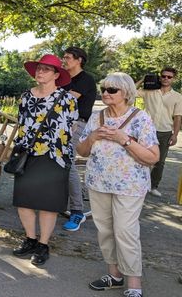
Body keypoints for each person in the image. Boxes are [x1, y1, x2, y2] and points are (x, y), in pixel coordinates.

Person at [78, 72, 159, 297]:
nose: (105, 93)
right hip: (98, 183)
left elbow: (153, 157)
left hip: (130, 186)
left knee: (125, 231)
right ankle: (114, 275)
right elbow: (82, 151)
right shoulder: (97, 117)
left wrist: (124, 139)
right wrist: (93, 137)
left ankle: (134, 284)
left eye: (112, 90)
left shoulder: (140, 118)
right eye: (104, 89)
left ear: (126, 93)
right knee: (105, 231)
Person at [11, 54, 78, 266]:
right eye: (39, 68)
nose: (40, 72)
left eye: (46, 69)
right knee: (23, 200)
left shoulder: (67, 99)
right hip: (27, 155)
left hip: (54, 156)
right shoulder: (25, 97)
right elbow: (21, 125)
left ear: (57, 75)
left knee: (48, 205)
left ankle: (43, 244)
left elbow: (72, 128)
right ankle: (30, 239)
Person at [61, 46, 96, 231]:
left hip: (78, 124)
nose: (64, 60)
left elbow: (68, 100)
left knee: (68, 162)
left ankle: (77, 211)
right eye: (63, 57)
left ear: (79, 60)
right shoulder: (62, 79)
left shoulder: (85, 79)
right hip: (59, 123)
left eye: (67, 57)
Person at [136, 67, 182, 197]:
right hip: (146, 130)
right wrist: (143, 79)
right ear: (160, 76)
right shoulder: (149, 91)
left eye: (169, 77)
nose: (166, 79)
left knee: (159, 161)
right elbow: (130, 92)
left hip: (165, 132)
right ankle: (138, 184)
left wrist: (175, 134)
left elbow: (178, 117)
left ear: (174, 79)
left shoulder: (178, 97)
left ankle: (153, 186)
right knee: (140, 157)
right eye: (163, 76)